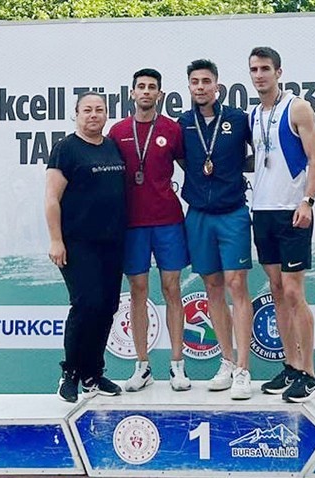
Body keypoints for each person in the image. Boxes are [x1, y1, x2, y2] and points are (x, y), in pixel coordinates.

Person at [248, 47, 315, 403]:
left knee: (294, 292)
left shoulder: (297, 107)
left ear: (279, 72)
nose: (259, 75)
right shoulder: (253, 114)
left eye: (265, 68)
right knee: (277, 290)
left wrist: (308, 201)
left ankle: (310, 373)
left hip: (292, 211)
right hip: (262, 211)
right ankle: (291, 365)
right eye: (254, 69)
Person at [108, 68, 191, 393]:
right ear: (132, 93)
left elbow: (191, 168)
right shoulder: (118, 131)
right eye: (140, 87)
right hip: (132, 224)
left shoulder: (172, 129)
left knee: (172, 289)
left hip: (168, 220)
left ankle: (177, 365)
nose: (146, 92)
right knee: (138, 291)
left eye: (151, 87)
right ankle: (142, 366)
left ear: (160, 94)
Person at [178, 59, 254, 400]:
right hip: (198, 214)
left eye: (206, 81)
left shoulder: (238, 119)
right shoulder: (183, 124)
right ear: (189, 86)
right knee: (212, 286)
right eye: (195, 81)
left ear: (217, 86)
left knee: (237, 284)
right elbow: (181, 159)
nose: (200, 87)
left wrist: (233, 170)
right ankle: (226, 361)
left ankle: (243, 369)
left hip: (233, 212)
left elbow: (262, 152)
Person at [45, 92, 126, 402]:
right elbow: (51, 198)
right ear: (76, 115)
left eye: (99, 110)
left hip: (112, 243)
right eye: (87, 110)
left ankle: (93, 373)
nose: (93, 115)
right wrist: (56, 240)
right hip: (78, 244)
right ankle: (70, 374)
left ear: (106, 114)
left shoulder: (112, 147)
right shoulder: (65, 149)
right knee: (86, 304)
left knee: (107, 307)